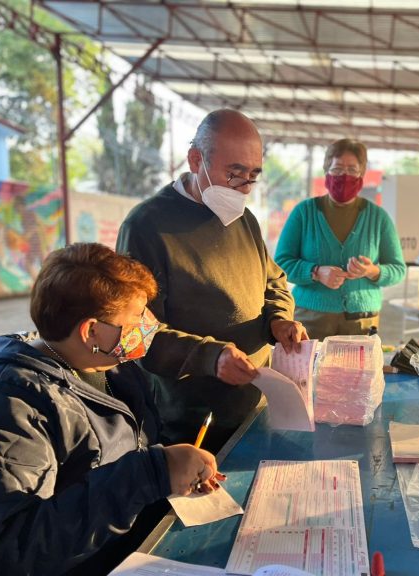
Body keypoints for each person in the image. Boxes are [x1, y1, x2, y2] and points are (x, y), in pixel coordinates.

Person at [0, 243, 224, 575]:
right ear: (91, 331)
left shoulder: (109, 366)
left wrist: (172, 476)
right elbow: (1, 553)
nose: (150, 324)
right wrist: (150, 475)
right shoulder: (10, 406)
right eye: (137, 316)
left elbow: (122, 456)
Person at [117, 109, 306, 451]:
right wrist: (210, 358)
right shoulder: (147, 227)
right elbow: (134, 334)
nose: (243, 188)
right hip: (191, 421)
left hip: (254, 404)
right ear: (195, 159)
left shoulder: (244, 220)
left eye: (252, 176)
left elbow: (273, 280)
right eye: (234, 174)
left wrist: (279, 318)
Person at [274, 139, 406, 340]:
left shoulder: (378, 218)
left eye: (352, 169)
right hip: (310, 319)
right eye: (337, 169)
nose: (344, 176)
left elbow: (398, 269)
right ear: (327, 171)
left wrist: (372, 271)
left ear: (362, 173)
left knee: (359, 372)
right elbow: (281, 264)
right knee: (308, 371)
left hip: (361, 321)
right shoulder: (304, 212)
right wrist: (315, 272)